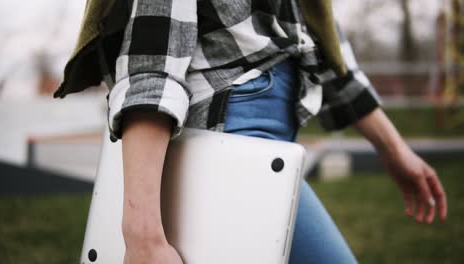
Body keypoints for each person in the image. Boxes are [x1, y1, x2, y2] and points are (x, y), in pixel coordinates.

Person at [55, 0, 448, 263]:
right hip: (228, 133)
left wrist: (394, 148)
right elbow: (151, 59)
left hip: (265, 138)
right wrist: (142, 235)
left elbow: (322, 47)